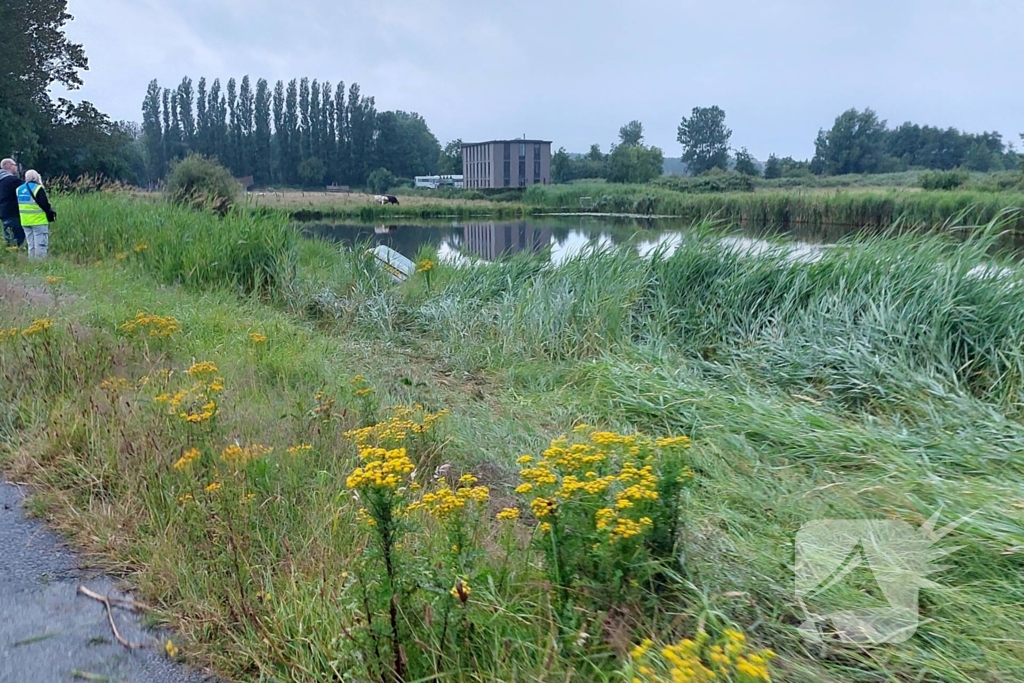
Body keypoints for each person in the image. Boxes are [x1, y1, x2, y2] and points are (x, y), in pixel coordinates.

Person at [17, 170, 56, 258]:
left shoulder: (19, 189)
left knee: (31, 245)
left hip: (25, 221)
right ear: (36, 177)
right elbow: (44, 204)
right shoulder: (38, 188)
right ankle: (40, 264)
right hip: (38, 220)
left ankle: (32, 264)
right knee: (40, 245)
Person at [0, 158, 24, 248]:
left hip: (3, 212)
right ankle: (18, 255)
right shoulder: (12, 180)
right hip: (13, 212)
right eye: (15, 165)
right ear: (10, 166)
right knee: (18, 237)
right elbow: (28, 188)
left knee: (9, 236)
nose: (16, 167)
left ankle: (10, 254)